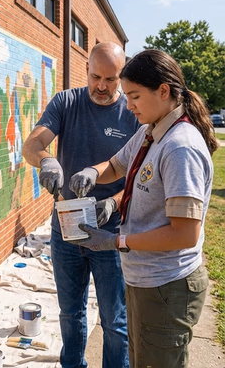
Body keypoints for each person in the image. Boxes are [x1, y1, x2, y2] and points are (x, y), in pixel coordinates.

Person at [68, 49, 216, 368]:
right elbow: (118, 165)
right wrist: (93, 173)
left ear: (163, 91)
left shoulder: (180, 148)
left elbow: (185, 233)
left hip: (168, 286)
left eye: (134, 96)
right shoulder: (151, 130)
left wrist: (117, 241)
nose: (129, 104)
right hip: (146, 280)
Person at [22, 42, 138, 368]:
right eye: (95, 76)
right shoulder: (67, 101)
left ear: (122, 76)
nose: (101, 86)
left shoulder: (133, 113)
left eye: (111, 79)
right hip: (67, 228)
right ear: (86, 69)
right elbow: (33, 144)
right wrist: (46, 161)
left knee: (115, 321)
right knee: (70, 313)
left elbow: (140, 180)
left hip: (111, 232)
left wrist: (113, 204)